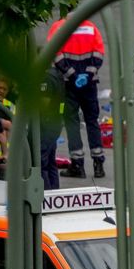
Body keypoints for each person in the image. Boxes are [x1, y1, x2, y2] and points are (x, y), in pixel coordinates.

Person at [49, 17, 105, 180]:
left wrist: (72, 75)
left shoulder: (58, 27)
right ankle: (98, 165)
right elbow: (99, 54)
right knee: (92, 122)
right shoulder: (91, 27)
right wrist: (87, 75)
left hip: (68, 84)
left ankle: (77, 165)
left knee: (72, 122)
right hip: (89, 83)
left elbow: (56, 54)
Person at [37, 66, 65, 191]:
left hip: (46, 123)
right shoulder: (56, 74)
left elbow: (43, 102)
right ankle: (55, 194)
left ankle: (46, 198)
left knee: (41, 163)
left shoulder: (45, 77)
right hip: (55, 121)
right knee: (50, 162)